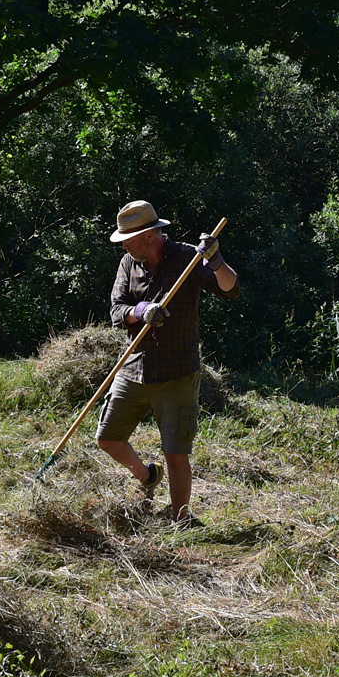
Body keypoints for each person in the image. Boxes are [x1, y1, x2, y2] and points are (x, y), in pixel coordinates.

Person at [95, 200, 239, 525]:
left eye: (128, 240)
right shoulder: (128, 263)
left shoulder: (189, 257)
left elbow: (230, 290)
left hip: (177, 372)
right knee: (107, 438)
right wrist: (140, 310)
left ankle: (180, 522)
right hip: (134, 367)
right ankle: (147, 476)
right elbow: (117, 310)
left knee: (176, 453)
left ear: (149, 236)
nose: (124, 246)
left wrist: (216, 261)